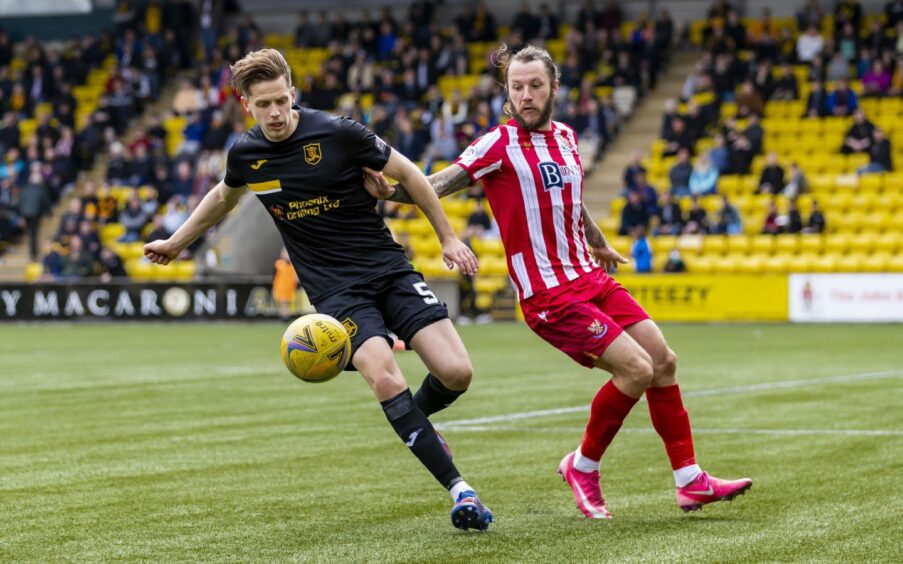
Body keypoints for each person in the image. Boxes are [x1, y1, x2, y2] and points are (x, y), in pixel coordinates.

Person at [363, 44, 752, 519]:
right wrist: (390, 191)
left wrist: (601, 243)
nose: (526, 96)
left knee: (663, 361)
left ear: (554, 88)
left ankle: (690, 481)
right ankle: (582, 467)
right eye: (517, 88)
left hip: (590, 277)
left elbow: (571, 199)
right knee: (636, 370)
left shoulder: (567, 137)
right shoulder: (497, 145)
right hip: (549, 295)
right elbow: (437, 184)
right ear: (507, 93)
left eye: (535, 86)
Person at [144, 48, 493, 532]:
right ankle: (462, 491)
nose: (274, 113)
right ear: (246, 104)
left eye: (281, 101)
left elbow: (410, 174)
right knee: (384, 376)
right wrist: (178, 243)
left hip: (388, 269)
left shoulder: (339, 132)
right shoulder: (246, 154)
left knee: (457, 372)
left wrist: (448, 237)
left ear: (293, 93)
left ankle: (419, 422)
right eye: (262, 104)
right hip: (335, 293)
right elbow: (223, 197)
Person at [272, 247, 298, 320]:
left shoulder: (293, 265)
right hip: (281, 287)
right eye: (284, 253)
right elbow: (274, 277)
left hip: (290, 288)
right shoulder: (278, 264)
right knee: (283, 303)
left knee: (288, 303)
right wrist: (274, 288)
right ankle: (284, 318)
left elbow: (296, 278)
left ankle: (286, 317)